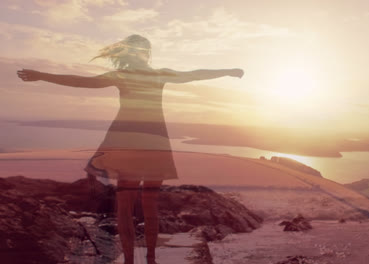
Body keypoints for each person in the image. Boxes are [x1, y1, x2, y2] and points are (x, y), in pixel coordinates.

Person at [17, 34, 243, 264]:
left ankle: (133, 260)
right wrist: (227, 70)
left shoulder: (127, 74)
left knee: (129, 205)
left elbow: (84, 81)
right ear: (144, 53)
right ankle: (147, 259)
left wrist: (42, 75)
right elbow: (194, 75)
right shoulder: (154, 74)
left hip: (133, 142)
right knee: (144, 204)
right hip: (151, 142)